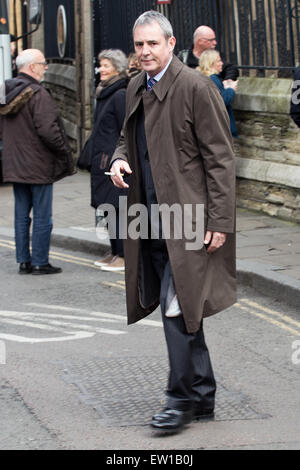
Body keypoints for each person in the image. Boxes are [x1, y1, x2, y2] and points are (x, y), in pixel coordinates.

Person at [110, 11, 236, 434]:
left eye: (152, 44)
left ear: (170, 43)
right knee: (183, 310)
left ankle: (179, 400)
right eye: (139, 44)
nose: (144, 51)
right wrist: (119, 159)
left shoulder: (196, 87)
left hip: (191, 221)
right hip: (150, 219)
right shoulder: (134, 87)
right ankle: (202, 396)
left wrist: (219, 220)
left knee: (175, 308)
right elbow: (127, 138)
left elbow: (221, 159)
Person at [0, 49, 75, 275]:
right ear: (32, 67)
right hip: (38, 165)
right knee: (43, 216)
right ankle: (40, 261)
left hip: (14, 164)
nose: (45, 68)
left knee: (21, 215)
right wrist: (64, 151)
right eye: (43, 64)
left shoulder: (5, 92)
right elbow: (48, 131)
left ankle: (24, 261)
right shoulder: (38, 94)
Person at [91, 49, 128, 272]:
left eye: (106, 65)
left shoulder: (120, 94)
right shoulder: (104, 92)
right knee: (106, 209)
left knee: (117, 208)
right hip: (102, 160)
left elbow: (126, 128)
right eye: (100, 65)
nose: (101, 70)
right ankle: (114, 251)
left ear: (117, 67)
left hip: (113, 160)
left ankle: (124, 255)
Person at [198, 49, 238, 138]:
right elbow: (222, 100)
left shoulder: (200, 77)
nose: (222, 63)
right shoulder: (213, 79)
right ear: (211, 63)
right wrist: (230, 89)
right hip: (219, 128)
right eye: (219, 61)